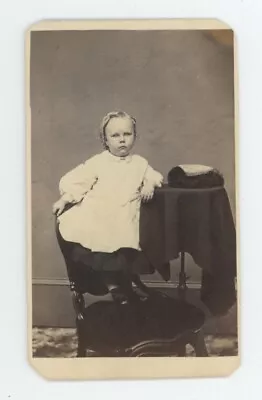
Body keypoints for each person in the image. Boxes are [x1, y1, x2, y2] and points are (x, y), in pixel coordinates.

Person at [53, 111, 163, 303]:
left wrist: (149, 185)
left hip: (126, 214)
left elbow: (154, 176)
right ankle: (115, 288)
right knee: (103, 247)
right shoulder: (99, 162)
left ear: (135, 137)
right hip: (101, 212)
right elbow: (79, 182)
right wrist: (65, 199)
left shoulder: (139, 163)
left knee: (124, 248)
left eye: (127, 134)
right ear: (105, 139)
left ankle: (125, 287)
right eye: (115, 135)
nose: (122, 140)